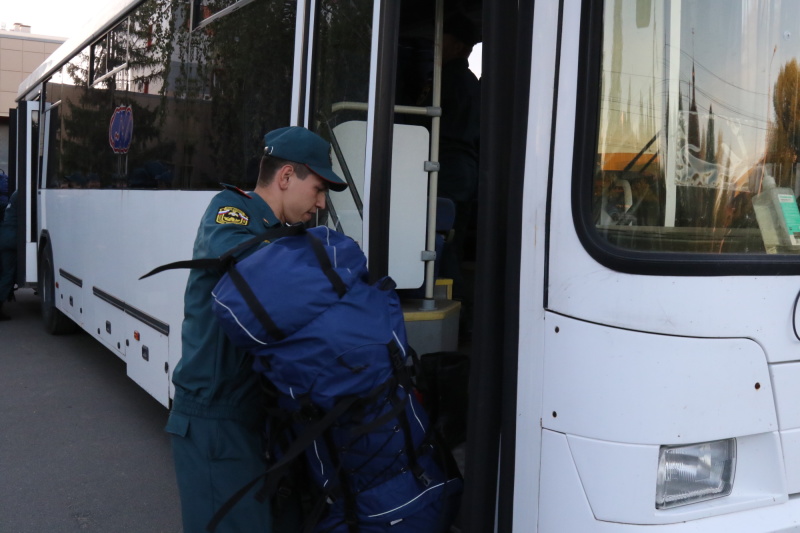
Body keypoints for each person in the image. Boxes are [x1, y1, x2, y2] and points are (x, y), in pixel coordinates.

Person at [165, 126, 347, 532]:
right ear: (285, 177)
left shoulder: (285, 231)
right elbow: (253, 267)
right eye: (318, 189)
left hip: (252, 415)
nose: (320, 204)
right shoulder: (232, 211)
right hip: (213, 418)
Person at [0, 190, 18, 320]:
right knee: (7, 275)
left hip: (5, 236)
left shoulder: (16, 194)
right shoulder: (22, 195)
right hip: (11, 239)